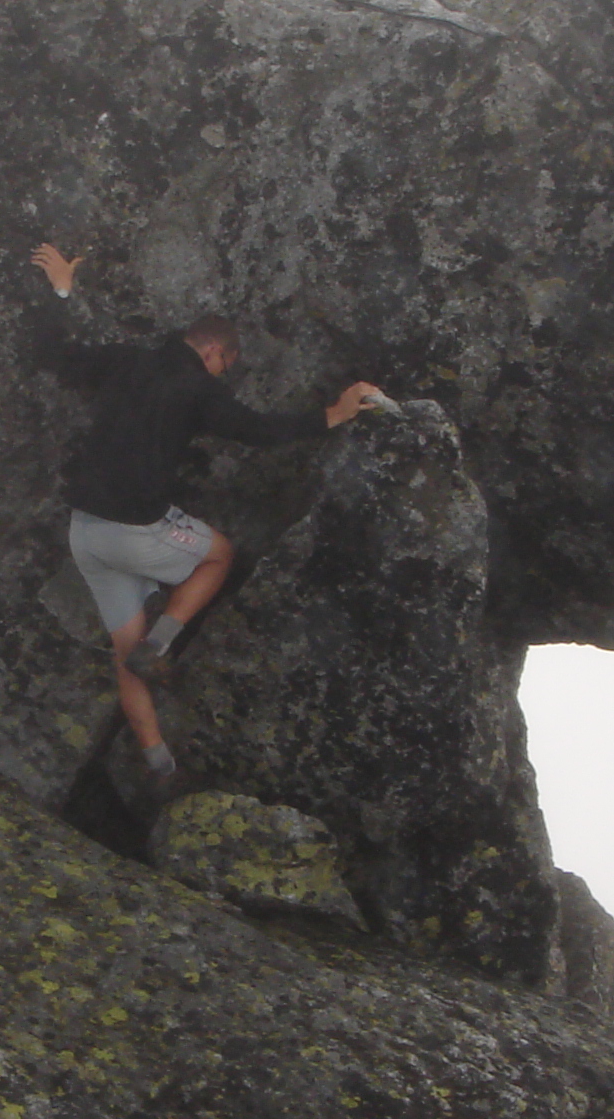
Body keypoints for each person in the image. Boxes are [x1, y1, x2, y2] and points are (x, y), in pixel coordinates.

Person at [25, 242, 380, 790]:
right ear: (214, 351)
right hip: (136, 529)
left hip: (85, 534)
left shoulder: (127, 361)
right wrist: (334, 414)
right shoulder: (197, 388)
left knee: (124, 659)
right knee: (220, 555)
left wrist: (62, 290)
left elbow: (54, 353)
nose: (221, 377)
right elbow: (257, 429)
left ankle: (160, 765)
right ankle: (160, 645)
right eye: (224, 367)